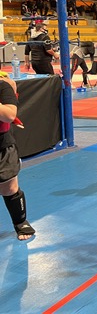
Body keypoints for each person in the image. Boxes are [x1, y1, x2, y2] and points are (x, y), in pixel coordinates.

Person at [0, 75, 35, 241]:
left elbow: (9, 115)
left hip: (2, 144)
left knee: (9, 188)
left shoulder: (3, 86)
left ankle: (20, 222)